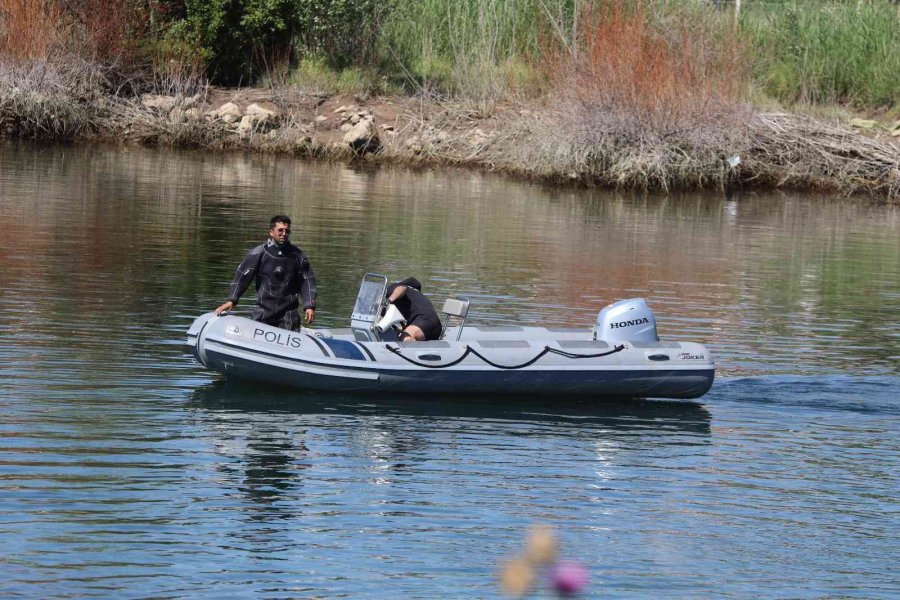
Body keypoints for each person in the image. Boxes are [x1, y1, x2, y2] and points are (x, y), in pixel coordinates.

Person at [215, 215, 317, 330]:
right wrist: (232, 300)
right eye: (280, 230)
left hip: (288, 316)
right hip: (263, 313)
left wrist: (309, 305)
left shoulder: (298, 256)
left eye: (287, 231)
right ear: (271, 232)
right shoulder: (258, 254)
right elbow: (242, 277)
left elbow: (307, 280)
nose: (284, 233)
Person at [385, 277, 441, 342]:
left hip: (424, 321)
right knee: (396, 334)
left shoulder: (397, 287)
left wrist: (388, 301)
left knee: (404, 339)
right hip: (436, 327)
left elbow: (401, 288)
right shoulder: (416, 298)